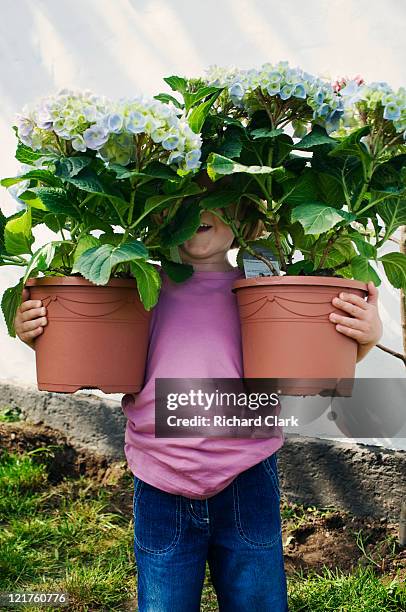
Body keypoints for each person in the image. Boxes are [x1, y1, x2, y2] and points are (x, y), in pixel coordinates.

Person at [14, 207, 383, 611]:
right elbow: (92, 349)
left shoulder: (266, 288)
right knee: (164, 602)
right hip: (160, 475)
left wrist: (363, 339)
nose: (201, 211)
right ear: (157, 215)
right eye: (184, 199)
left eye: (221, 200)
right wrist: (43, 333)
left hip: (247, 473)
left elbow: (310, 360)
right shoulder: (138, 285)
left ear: (249, 219)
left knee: (256, 601)